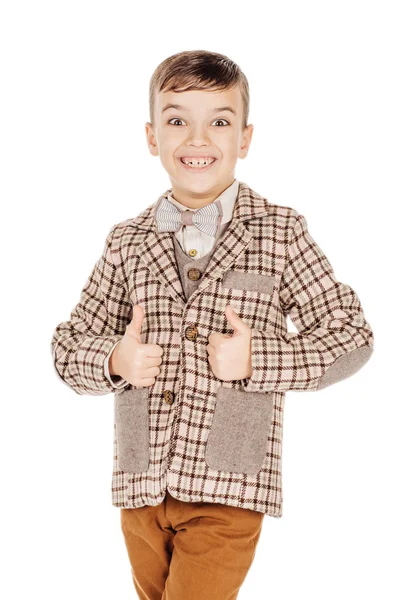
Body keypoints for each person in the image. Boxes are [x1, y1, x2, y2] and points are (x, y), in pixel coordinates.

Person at [50, 49, 374, 600]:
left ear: (244, 139)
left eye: (218, 122)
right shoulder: (126, 241)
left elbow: (351, 335)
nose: (197, 140)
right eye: (177, 120)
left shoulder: (280, 233)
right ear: (152, 136)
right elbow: (68, 345)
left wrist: (260, 359)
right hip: (142, 484)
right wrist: (114, 360)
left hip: (231, 483)